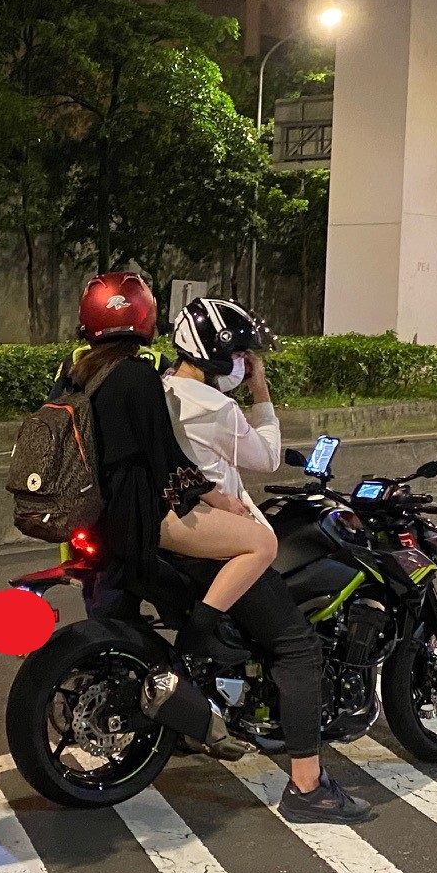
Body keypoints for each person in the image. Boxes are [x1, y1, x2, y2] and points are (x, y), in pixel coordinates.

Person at [165, 296, 371, 823]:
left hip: (173, 531)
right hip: (217, 540)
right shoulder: (216, 408)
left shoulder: (163, 392)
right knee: (298, 647)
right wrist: (262, 393)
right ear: (215, 355)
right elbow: (266, 457)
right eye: (239, 356)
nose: (244, 363)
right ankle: (307, 787)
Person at [64, 272, 272, 667]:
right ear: (145, 318)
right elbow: (167, 459)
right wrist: (219, 498)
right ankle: (201, 636)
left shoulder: (78, 373)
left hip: (94, 512)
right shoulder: (139, 376)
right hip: (136, 515)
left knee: (115, 622)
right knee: (261, 543)